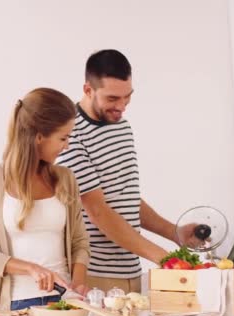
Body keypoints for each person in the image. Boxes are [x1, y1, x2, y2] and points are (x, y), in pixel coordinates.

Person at [56, 50, 198, 294]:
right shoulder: (68, 133)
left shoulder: (120, 126)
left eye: (127, 97)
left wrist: (175, 233)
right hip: (92, 277)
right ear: (88, 89)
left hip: (131, 271)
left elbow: (125, 198)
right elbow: (98, 211)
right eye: (112, 99)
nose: (121, 107)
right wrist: (166, 259)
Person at [0, 88, 91, 311]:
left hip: (63, 304)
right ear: (39, 136)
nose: (67, 145)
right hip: (13, 305)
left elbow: (79, 242)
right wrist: (31, 269)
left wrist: (77, 285)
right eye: (63, 137)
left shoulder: (65, 178)